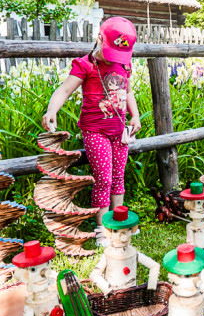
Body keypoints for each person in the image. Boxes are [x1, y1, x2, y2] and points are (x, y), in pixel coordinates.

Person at [41, 17, 141, 225]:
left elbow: (128, 91)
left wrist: (135, 115)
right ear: (99, 40)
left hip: (120, 131)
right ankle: (102, 228)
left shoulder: (124, 63)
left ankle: (119, 221)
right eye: (112, 52)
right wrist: (52, 110)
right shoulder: (85, 65)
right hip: (96, 132)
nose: (115, 59)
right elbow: (65, 90)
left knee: (118, 178)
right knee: (104, 179)